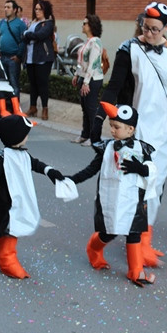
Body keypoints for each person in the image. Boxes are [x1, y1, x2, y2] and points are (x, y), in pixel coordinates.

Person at [90, 2, 167, 267]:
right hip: (135, 132)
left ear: (166, 28)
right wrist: (98, 119)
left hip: (163, 133)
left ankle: (145, 242)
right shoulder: (129, 49)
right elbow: (114, 88)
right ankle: (108, 243)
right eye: (145, 27)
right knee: (134, 189)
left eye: (155, 29)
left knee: (155, 186)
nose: (149, 33)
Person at [69, 102, 157, 287]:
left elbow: (152, 170)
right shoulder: (107, 148)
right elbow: (92, 169)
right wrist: (72, 179)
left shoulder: (142, 149)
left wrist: (140, 167)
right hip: (111, 199)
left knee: (134, 233)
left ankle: (135, 271)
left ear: (131, 129)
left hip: (134, 200)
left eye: (117, 127)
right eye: (111, 126)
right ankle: (93, 248)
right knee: (110, 232)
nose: (112, 130)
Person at [0, 115, 64, 279]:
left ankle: (2, 255)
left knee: (6, 229)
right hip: (5, 203)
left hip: (18, 200)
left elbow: (36, 164)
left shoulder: (23, 155)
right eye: (26, 133)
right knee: (9, 229)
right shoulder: (1, 158)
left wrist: (50, 171)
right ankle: (7, 261)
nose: (27, 137)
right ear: (17, 136)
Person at [70, 14, 104, 146]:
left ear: (91, 26)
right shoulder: (88, 41)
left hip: (92, 79)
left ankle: (94, 137)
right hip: (84, 78)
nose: (82, 25)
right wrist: (77, 75)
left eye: (85, 23)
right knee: (85, 108)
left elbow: (93, 64)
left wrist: (86, 83)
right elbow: (81, 62)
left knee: (91, 108)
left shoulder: (95, 42)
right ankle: (85, 134)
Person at [22, 0, 55, 121]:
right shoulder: (33, 23)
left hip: (43, 57)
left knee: (42, 83)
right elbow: (24, 37)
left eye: (40, 9)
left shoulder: (48, 23)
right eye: (36, 9)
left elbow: (40, 35)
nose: (37, 11)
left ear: (45, 10)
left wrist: (27, 34)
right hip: (30, 57)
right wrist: (27, 34)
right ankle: (33, 107)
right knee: (33, 83)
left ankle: (45, 108)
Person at [0, 0, 26, 97]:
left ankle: (15, 107)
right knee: (1, 83)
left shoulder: (20, 24)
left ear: (15, 10)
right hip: (1, 57)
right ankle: (4, 106)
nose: (6, 9)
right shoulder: (1, 23)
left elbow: (24, 41)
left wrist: (19, 56)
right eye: (5, 7)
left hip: (13, 59)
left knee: (13, 83)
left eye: (8, 7)